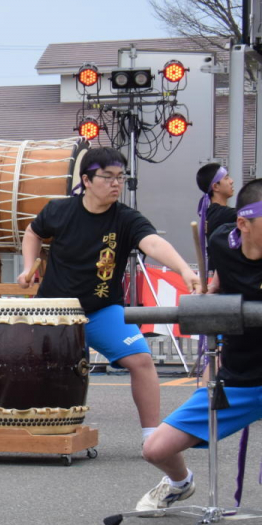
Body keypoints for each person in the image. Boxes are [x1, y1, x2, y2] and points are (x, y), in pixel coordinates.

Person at [18, 147, 200, 443]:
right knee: (38, 368)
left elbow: (152, 244)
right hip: (54, 312)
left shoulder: (126, 219)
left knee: (141, 360)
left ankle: (152, 436)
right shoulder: (59, 210)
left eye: (120, 177)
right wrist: (28, 267)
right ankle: (37, 429)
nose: (116, 183)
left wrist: (184, 270)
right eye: (108, 177)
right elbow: (33, 231)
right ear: (87, 180)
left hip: (102, 311)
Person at [135, 179, 262, 511]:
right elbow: (218, 284)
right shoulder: (222, 244)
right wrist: (208, 296)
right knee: (156, 449)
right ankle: (180, 483)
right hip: (240, 377)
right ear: (243, 224)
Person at [196, 163, 237, 263]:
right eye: (226, 178)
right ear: (215, 186)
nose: (231, 181)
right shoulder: (222, 214)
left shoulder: (212, 212)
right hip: (224, 273)